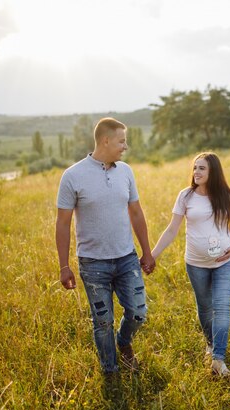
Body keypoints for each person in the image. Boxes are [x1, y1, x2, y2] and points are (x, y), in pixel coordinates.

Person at [55, 117, 155, 374]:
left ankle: (124, 343)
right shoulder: (73, 176)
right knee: (102, 321)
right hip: (92, 263)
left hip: (126, 258)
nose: (125, 147)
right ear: (106, 140)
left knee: (138, 313)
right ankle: (110, 372)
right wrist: (64, 266)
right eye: (122, 141)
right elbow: (63, 224)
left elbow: (136, 213)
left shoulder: (126, 171)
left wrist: (147, 251)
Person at [151, 152, 230, 376]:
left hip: (225, 263)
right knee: (204, 307)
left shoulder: (225, 195)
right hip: (196, 264)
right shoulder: (186, 196)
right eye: (195, 168)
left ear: (213, 172)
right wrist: (152, 255)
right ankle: (210, 344)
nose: (196, 172)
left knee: (221, 308)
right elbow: (172, 229)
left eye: (202, 168)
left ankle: (219, 360)